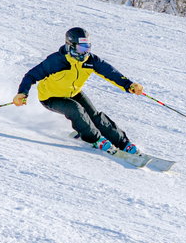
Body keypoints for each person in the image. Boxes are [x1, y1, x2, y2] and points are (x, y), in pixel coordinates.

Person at [13, 27, 145, 155]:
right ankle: (94, 139)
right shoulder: (56, 61)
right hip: (50, 98)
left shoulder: (91, 61)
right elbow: (31, 75)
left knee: (94, 115)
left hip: (73, 93)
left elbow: (111, 73)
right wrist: (22, 93)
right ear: (70, 45)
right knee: (75, 109)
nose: (84, 52)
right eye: (81, 48)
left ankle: (123, 143)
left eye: (87, 47)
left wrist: (129, 85)